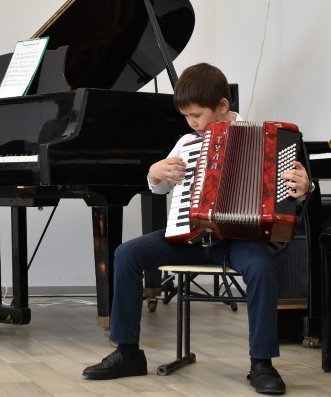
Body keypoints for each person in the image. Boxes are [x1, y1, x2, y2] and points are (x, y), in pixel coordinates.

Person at [82, 63, 311, 395]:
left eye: (197, 115)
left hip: (240, 241)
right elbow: (160, 186)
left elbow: (293, 193)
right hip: (189, 238)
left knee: (261, 267)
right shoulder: (187, 143)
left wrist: (304, 187)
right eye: (186, 116)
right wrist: (155, 173)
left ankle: (262, 363)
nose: (191, 123)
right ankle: (128, 352)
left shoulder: (268, 141)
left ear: (222, 105)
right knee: (127, 254)